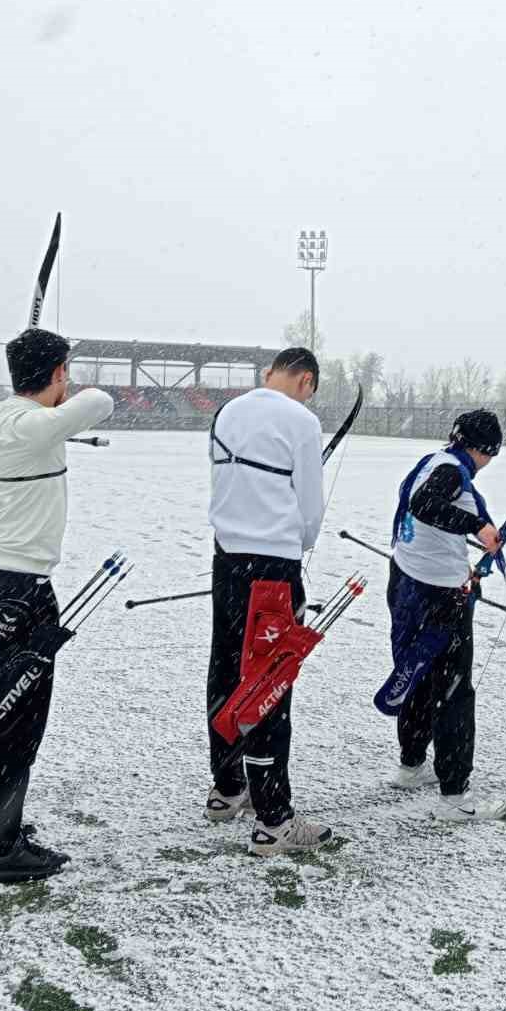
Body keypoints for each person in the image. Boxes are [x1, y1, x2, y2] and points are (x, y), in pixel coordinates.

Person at [0, 328, 113, 882]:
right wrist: (65, 386)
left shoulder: (2, 415)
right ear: (58, 372)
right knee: (14, 714)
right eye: (64, 370)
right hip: (18, 591)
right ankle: (1, 849)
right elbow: (102, 402)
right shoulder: (29, 424)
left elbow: (57, 410)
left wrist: (46, 381)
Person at [205, 347, 330, 856]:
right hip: (274, 569)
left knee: (228, 670)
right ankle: (275, 818)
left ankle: (229, 787)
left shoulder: (228, 412)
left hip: (227, 561)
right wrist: (294, 546)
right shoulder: (301, 419)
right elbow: (310, 510)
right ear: (305, 381)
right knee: (270, 684)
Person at [384, 410, 506, 820]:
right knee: (454, 689)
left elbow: (428, 520)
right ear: (485, 449)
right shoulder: (452, 472)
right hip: (436, 595)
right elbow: (425, 506)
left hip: (407, 581)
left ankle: (412, 763)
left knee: (417, 670)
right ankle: (455, 795)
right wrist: (478, 526)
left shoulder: (434, 461)